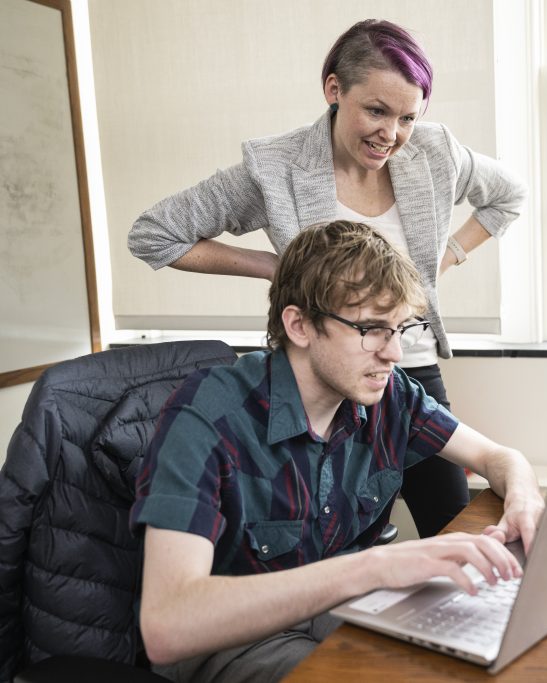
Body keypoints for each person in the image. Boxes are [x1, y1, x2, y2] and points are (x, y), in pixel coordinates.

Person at [127, 19, 526, 538]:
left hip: (409, 371)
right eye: (376, 111)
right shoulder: (276, 168)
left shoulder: (433, 153)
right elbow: (154, 235)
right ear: (334, 89)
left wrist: (441, 262)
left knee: (456, 525)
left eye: (407, 117)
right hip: (323, 376)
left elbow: (508, 196)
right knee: (343, 535)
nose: (392, 135)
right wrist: (281, 269)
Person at [130, 221, 544, 683]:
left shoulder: (389, 395)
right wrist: (373, 566)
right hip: (233, 640)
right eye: (371, 329)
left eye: (399, 329)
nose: (394, 354)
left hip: (345, 606)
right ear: (300, 325)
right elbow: (167, 625)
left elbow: (498, 458)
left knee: (494, 653)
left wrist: (525, 497)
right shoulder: (206, 416)